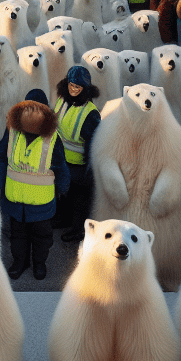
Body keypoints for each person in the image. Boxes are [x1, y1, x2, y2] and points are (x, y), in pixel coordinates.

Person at [0, 88, 69, 281]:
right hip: (15, 198)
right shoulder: (12, 131)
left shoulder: (52, 138)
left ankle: (39, 263)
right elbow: (1, 157)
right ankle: (20, 262)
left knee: (42, 237)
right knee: (17, 235)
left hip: (41, 203)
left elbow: (60, 165)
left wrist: (63, 186)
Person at [52, 66, 101, 244]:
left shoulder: (90, 113)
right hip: (61, 160)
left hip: (80, 164)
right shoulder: (62, 101)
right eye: (71, 85)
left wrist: (90, 169)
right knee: (64, 192)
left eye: (78, 88)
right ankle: (63, 219)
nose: (73, 90)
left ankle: (79, 229)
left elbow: (93, 144)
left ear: (85, 90)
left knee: (79, 199)